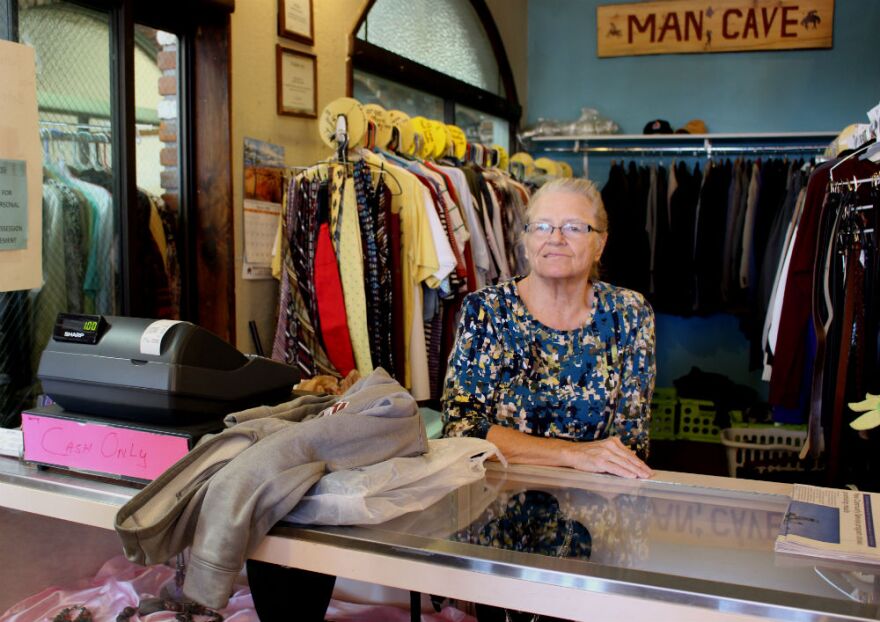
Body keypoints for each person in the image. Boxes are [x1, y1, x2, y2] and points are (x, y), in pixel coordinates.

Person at [442, 177, 655, 479]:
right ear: (526, 243)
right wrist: (571, 454)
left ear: (600, 244)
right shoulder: (486, 311)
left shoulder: (629, 313)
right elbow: (461, 425)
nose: (555, 238)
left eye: (573, 227)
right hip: (498, 501)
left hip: (596, 502)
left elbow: (632, 441)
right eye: (542, 226)